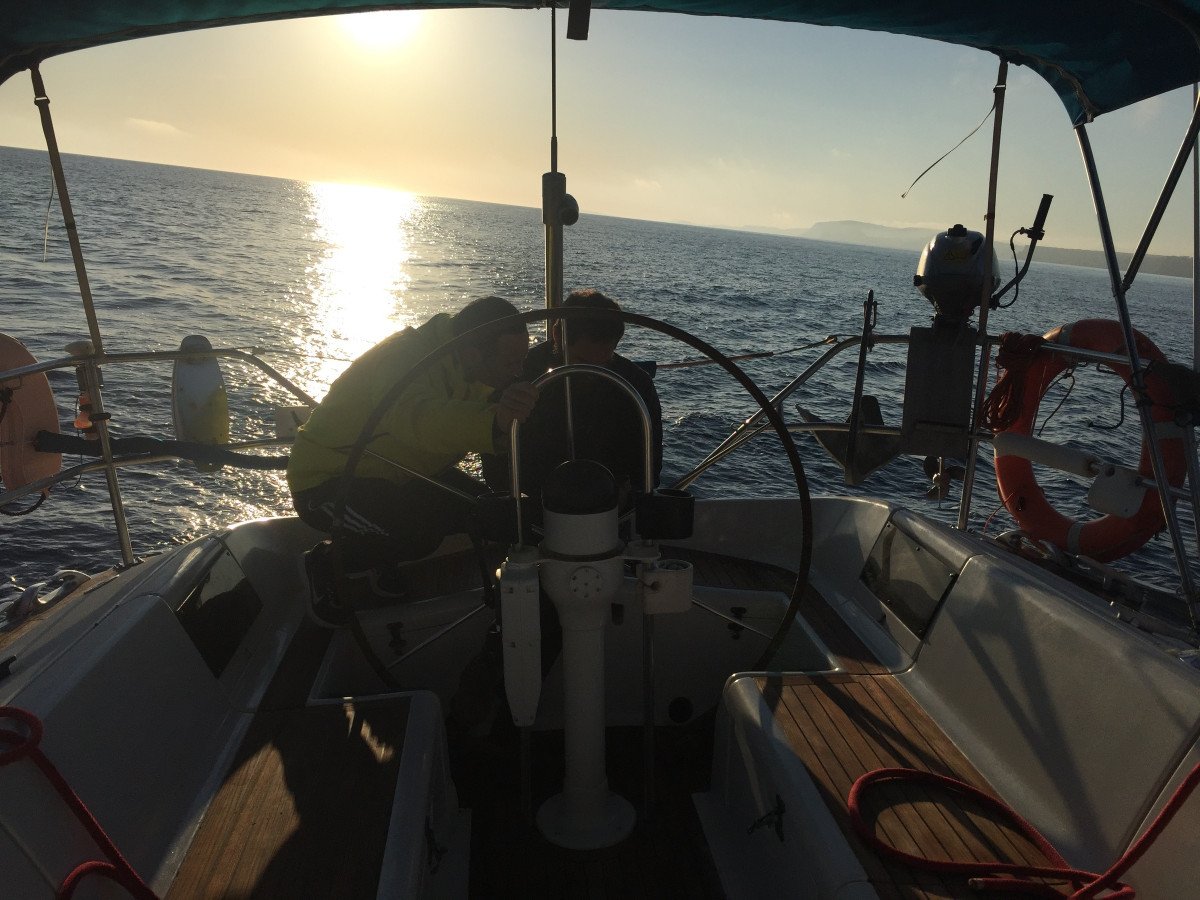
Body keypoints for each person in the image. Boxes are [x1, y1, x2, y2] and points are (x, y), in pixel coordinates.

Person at [288, 295, 537, 625]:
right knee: (419, 534)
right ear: (473, 353)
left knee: (489, 510)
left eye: (522, 360)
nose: (518, 371)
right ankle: (327, 562)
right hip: (329, 481)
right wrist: (493, 422)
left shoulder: (471, 368)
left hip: (401, 473)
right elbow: (413, 417)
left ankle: (385, 564)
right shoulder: (404, 357)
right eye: (511, 363)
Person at [485, 289, 662, 514]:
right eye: (581, 360)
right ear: (557, 335)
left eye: (603, 363)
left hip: (608, 510)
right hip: (532, 507)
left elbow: (649, 470)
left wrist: (624, 496)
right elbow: (495, 459)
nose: (590, 372)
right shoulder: (520, 375)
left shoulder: (637, 385)